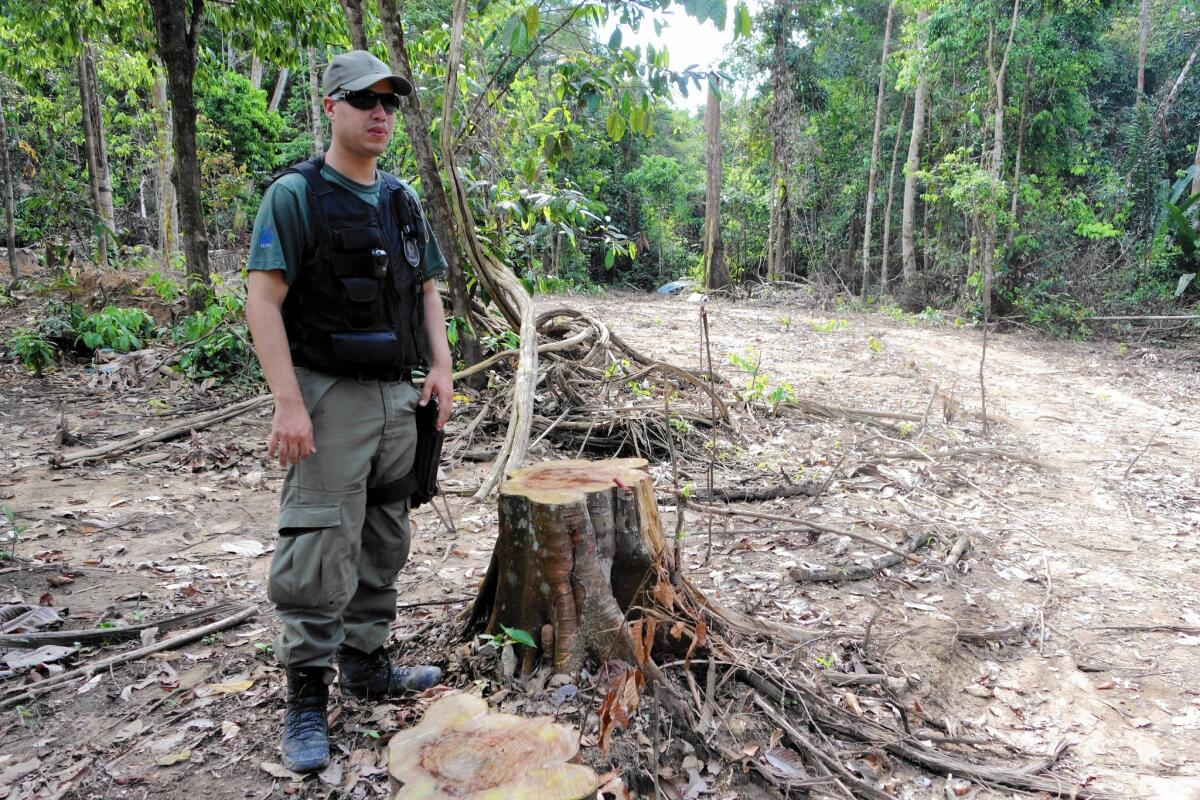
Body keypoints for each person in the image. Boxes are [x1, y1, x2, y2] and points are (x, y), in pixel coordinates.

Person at [245, 49, 454, 774]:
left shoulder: (400, 200)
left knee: (384, 533)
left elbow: (427, 290)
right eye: (364, 99)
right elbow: (262, 300)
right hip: (327, 398)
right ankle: (306, 694)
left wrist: (442, 369)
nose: (379, 113)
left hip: (398, 397)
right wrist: (287, 403)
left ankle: (368, 663)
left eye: (390, 102)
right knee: (318, 543)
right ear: (330, 106)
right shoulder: (296, 196)